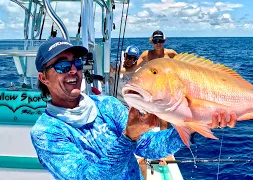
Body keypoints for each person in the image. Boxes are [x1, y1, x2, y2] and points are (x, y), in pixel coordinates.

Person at [30, 37, 237, 180]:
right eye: (62, 66)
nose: (73, 71)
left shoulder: (107, 105)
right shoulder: (46, 132)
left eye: (76, 63)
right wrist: (129, 136)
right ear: (43, 78)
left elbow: (150, 147)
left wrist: (193, 123)